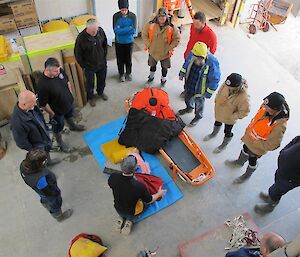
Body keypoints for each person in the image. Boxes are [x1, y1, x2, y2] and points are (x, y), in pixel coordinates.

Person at [225, 92, 289, 184]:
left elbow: (273, 144)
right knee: (244, 149)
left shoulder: (280, 126)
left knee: (252, 159)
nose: (264, 107)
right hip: (249, 138)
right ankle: (239, 162)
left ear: (275, 109)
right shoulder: (265, 107)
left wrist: (255, 143)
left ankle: (247, 175)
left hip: (257, 147)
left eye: (267, 107)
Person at [108, 155, 167, 235]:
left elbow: (114, 185)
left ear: (121, 165)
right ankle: (130, 221)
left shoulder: (113, 177)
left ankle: (121, 219)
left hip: (118, 208)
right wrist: (159, 193)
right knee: (145, 203)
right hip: (132, 212)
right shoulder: (139, 186)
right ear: (135, 168)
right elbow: (149, 200)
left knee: (124, 208)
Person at [37, 58, 85, 153]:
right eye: (55, 71)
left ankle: (73, 126)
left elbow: (67, 82)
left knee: (70, 115)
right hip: (57, 111)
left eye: (58, 69)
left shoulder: (59, 71)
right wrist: (52, 113)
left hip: (68, 103)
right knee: (57, 127)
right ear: (47, 70)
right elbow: (43, 104)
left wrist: (70, 95)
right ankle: (60, 143)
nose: (58, 72)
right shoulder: (42, 85)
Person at [20, 149, 73, 221]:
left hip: (39, 191)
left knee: (44, 198)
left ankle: (45, 204)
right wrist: (56, 193)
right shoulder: (40, 179)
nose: (45, 162)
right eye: (43, 161)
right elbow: (48, 191)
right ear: (37, 164)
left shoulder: (23, 165)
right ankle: (59, 217)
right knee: (55, 204)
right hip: (48, 193)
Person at [204, 73, 250, 153]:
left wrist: (233, 116)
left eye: (231, 87)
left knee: (227, 131)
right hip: (220, 111)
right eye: (227, 84)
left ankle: (224, 145)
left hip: (229, 118)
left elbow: (244, 111)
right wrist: (217, 100)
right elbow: (220, 91)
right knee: (217, 122)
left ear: (237, 86)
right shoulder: (226, 84)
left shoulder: (244, 97)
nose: (228, 87)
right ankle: (213, 134)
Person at [11, 90, 59, 166]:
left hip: (43, 136)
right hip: (37, 145)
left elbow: (40, 118)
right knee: (40, 159)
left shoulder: (31, 106)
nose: (36, 104)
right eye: (33, 103)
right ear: (24, 104)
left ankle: (49, 161)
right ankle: (44, 168)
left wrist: (45, 128)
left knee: (46, 150)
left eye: (35, 101)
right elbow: (21, 142)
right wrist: (33, 150)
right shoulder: (17, 122)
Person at [177, 42, 221, 127]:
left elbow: (215, 79)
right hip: (190, 82)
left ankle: (198, 116)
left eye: (200, 58)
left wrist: (209, 92)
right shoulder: (192, 53)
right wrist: (182, 73)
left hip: (201, 89)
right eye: (197, 57)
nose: (198, 59)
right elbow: (186, 63)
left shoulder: (212, 62)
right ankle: (189, 108)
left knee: (199, 103)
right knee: (187, 97)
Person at [254, 136, 300, 214]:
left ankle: (271, 205)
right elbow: (297, 139)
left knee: (278, 190)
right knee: (277, 181)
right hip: (284, 167)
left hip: (292, 177)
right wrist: (284, 151)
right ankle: (271, 196)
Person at [142, 7, 180, 86]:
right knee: (152, 65)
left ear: (167, 17)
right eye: (160, 17)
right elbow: (144, 34)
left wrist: (168, 48)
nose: (162, 19)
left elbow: (177, 39)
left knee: (164, 67)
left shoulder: (172, 27)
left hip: (165, 53)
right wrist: (149, 44)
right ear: (157, 17)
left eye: (163, 17)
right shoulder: (151, 24)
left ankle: (163, 79)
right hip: (153, 51)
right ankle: (151, 77)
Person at [74, 18, 108, 107]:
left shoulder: (100, 31)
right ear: (87, 29)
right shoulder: (81, 38)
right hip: (89, 66)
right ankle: (91, 97)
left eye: (96, 30)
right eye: (93, 31)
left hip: (101, 63)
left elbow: (105, 44)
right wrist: (84, 66)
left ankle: (100, 92)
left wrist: (104, 57)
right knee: (90, 83)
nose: (95, 32)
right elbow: (78, 54)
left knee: (102, 79)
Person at [113, 0, 136, 82]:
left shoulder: (133, 16)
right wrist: (127, 28)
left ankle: (128, 73)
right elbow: (115, 30)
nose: (124, 12)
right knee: (120, 59)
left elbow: (133, 30)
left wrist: (121, 29)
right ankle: (121, 74)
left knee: (128, 59)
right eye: (122, 10)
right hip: (119, 42)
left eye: (125, 10)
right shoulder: (116, 16)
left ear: (128, 8)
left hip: (129, 42)